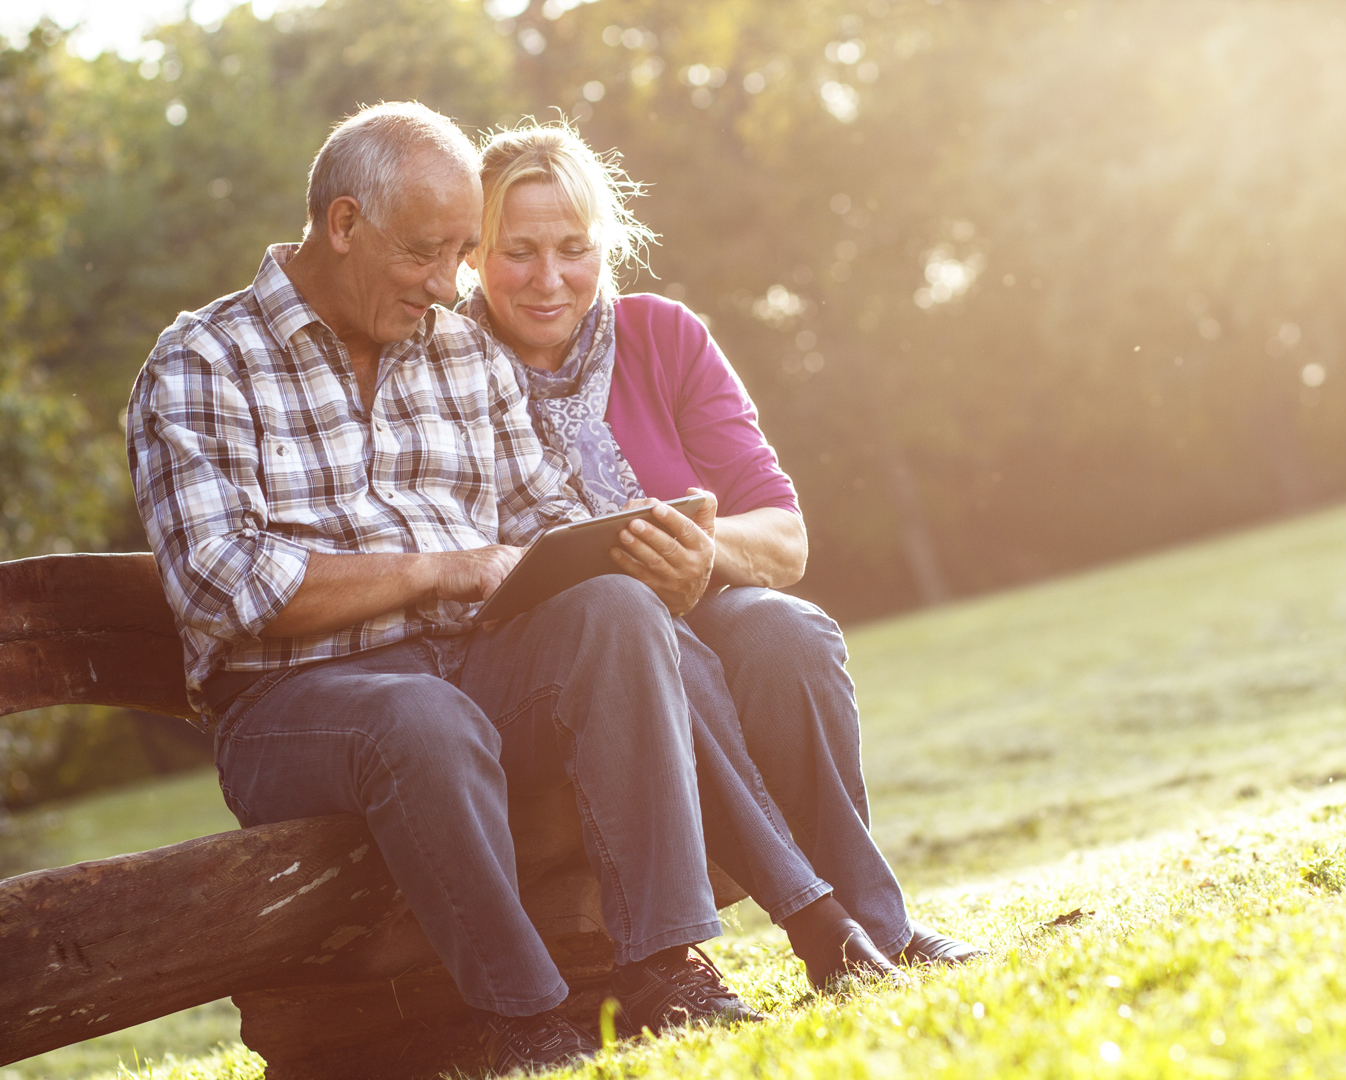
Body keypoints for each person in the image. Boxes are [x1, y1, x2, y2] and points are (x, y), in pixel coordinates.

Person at [125, 102, 767, 1076]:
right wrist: (435, 568)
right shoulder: (201, 363)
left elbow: (550, 517)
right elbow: (225, 589)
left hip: (473, 666)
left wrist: (646, 558)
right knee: (420, 717)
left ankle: (665, 964)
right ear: (343, 225)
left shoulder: (460, 353)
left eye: (463, 252)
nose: (447, 284)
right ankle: (525, 1019)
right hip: (295, 707)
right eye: (425, 253)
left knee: (615, 610)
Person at [458, 123, 987, 990]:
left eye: (573, 249)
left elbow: (784, 535)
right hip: (555, 669)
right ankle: (824, 923)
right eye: (518, 252)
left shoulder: (664, 337)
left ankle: (877, 927)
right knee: (652, 636)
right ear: (474, 254)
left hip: (693, 603)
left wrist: (697, 553)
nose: (549, 279)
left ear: (605, 247)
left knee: (790, 637)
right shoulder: (443, 371)